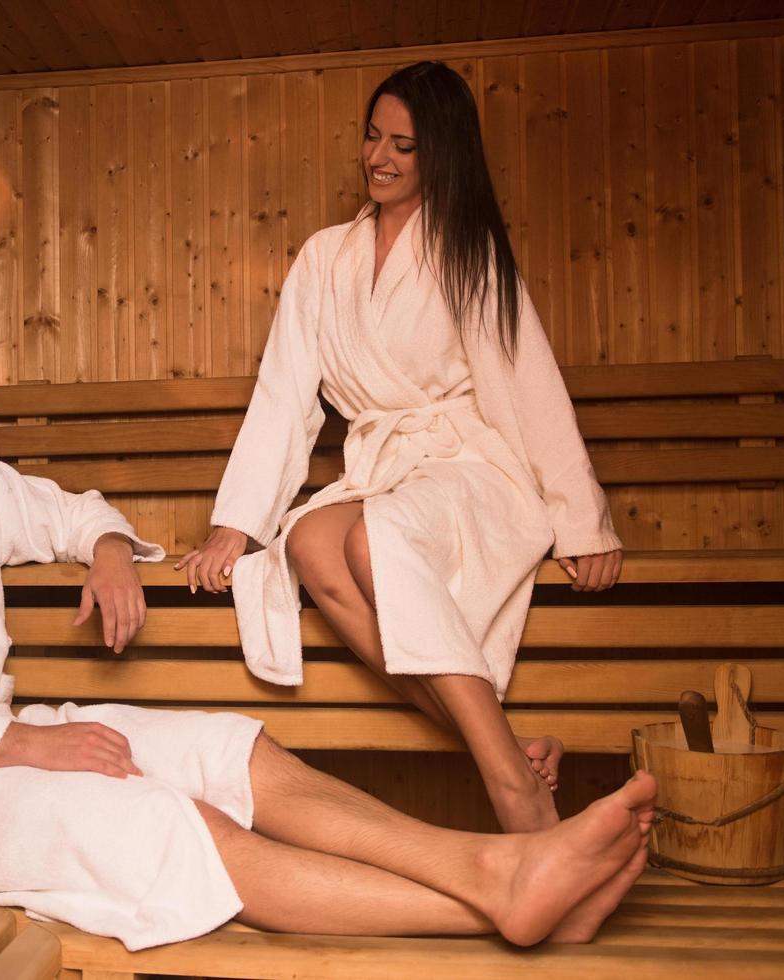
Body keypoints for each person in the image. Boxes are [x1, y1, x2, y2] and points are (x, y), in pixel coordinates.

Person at [0, 300, 654, 955]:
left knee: (230, 750)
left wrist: (107, 552)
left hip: (4, 742)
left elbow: (73, 510)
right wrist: (30, 746)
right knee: (169, 819)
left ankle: (510, 866)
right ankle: (499, 897)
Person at [178, 61, 624, 834]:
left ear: (439, 154)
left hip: (471, 467)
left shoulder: (467, 251)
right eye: (372, 136)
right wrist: (237, 525)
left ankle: (512, 791)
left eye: (403, 146)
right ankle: (508, 752)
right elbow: (284, 395)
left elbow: (527, 386)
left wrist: (581, 521)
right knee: (308, 543)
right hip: (387, 471)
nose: (378, 157)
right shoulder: (325, 257)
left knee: (370, 539)